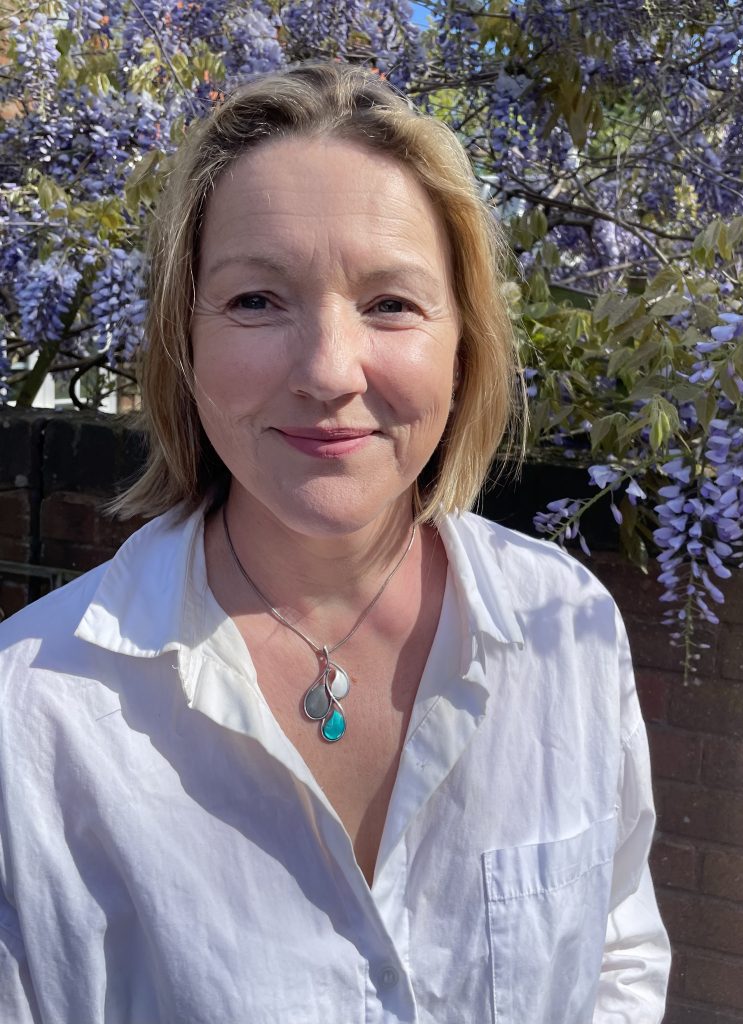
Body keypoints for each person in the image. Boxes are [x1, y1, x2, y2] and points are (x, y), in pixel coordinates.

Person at [0, 62, 669, 1023]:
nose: (327, 371)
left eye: (391, 303)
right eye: (256, 300)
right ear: (184, 344)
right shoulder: (35, 711)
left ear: (464, 343)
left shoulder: (567, 628)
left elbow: (616, 952)